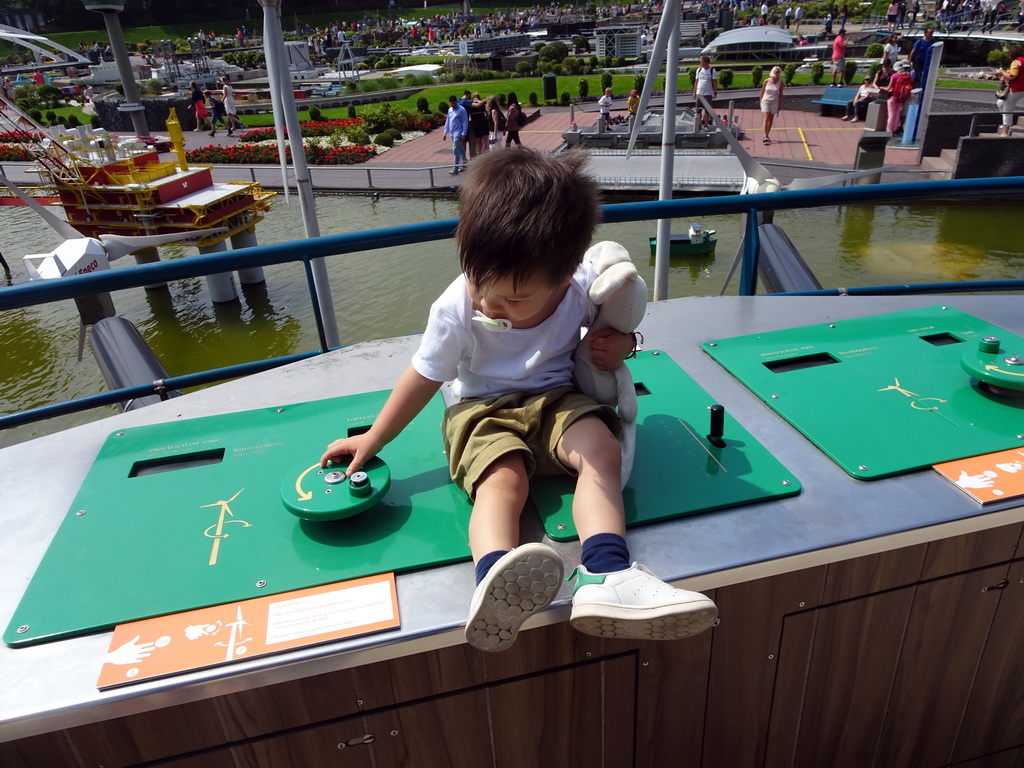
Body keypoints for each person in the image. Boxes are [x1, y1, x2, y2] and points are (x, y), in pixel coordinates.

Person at [319, 148, 719, 653]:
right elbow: (424, 376)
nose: (489, 303)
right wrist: (374, 439)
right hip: (481, 408)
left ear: (565, 272)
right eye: (480, 282)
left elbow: (613, 331)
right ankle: (492, 580)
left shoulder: (578, 288)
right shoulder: (457, 307)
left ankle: (607, 575)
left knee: (603, 450)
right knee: (503, 477)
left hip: (556, 398)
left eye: (512, 297)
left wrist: (623, 345)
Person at [996, 44, 1024, 136]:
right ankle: (1005, 124)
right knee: (1000, 103)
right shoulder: (1022, 61)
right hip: (1021, 88)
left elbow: (1012, 76)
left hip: (1015, 89)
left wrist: (1001, 71)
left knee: (1007, 108)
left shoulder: (1016, 62)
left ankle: (1005, 131)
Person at [443, 94, 469, 174]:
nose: (453, 105)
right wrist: (445, 132)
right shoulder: (450, 110)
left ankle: (455, 167)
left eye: (454, 103)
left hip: (458, 133)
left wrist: (463, 133)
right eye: (451, 103)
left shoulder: (461, 110)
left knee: (455, 150)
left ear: (457, 102)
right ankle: (464, 162)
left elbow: (465, 122)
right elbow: (448, 121)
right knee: (460, 148)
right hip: (452, 132)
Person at [887, 61, 914, 133]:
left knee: (891, 114)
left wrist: (882, 88)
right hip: (901, 98)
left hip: (893, 96)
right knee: (897, 114)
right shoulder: (906, 76)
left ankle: (889, 130)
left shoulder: (894, 76)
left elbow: (889, 88)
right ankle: (895, 129)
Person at [759, 66, 784, 143]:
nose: (777, 73)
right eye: (776, 71)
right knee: (766, 118)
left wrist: (779, 105)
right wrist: (761, 101)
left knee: (770, 119)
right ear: (773, 72)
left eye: (779, 72)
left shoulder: (780, 82)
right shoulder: (767, 81)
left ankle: (767, 134)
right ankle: (765, 136)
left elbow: (780, 94)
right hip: (765, 101)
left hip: (774, 102)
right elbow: (762, 92)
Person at [693, 56, 718, 130]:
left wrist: (715, 92)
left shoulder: (712, 70)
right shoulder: (699, 70)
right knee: (698, 111)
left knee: (707, 110)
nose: (701, 63)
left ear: (706, 62)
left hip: (708, 93)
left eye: (702, 62)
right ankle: (699, 124)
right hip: (699, 93)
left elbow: (715, 82)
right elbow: (696, 81)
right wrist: (694, 92)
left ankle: (706, 125)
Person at [468, 92, 489, 157]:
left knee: (478, 142)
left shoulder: (471, 105)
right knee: (485, 141)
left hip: (475, 123)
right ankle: (486, 155)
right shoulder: (483, 104)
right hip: (483, 122)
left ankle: (479, 156)